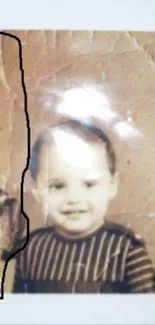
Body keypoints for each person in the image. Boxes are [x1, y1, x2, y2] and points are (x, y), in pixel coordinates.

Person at [1, 119, 155, 293]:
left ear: (112, 185)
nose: (73, 198)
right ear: (37, 190)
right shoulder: (31, 248)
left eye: (89, 185)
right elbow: (21, 311)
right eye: (57, 186)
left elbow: (147, 312)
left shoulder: (126, 250)